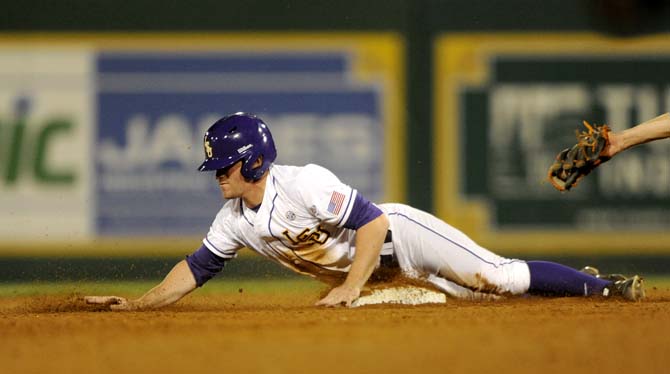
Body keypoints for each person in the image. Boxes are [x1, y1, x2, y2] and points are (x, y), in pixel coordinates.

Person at [85, 112, 649, 311]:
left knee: (495, 278)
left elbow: (374, 222)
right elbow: (196, 269)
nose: (219, 176)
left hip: (399, 238)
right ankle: (573, 285)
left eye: (225, 168)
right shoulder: (233, 220)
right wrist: (136, 305)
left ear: (253, 164)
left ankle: (604, 289)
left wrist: (352, 286)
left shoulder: (303, 183)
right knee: (478, 300)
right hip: (376, 269)